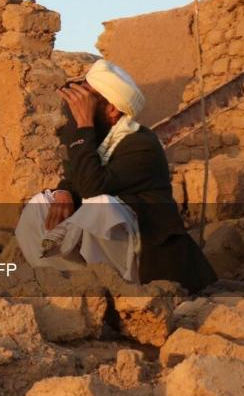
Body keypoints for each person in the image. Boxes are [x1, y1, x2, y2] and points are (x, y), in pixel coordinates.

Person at [15, 59, 216, 292]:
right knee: (41, 204)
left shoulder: (141, 143)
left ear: (112, 109)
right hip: (108, 241)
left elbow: (93, 187)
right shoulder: (100, 136)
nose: (80, 105)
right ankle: (67, 282)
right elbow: (76, 176)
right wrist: (63, 192)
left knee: (101, 207)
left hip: (144, 252)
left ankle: (114, 288)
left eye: (88, 100)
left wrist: (84, 124)